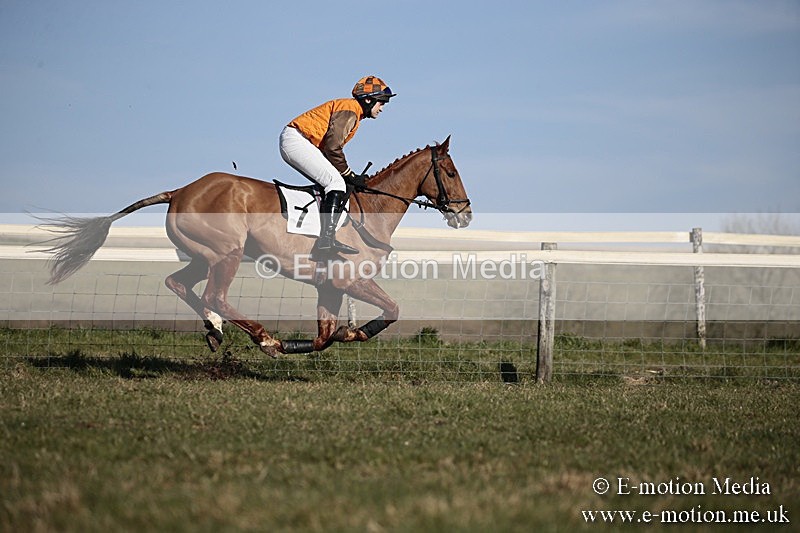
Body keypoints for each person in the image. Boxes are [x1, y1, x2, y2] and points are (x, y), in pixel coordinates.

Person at [279, 75, 396, 255]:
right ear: (368, 99)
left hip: (301, 141)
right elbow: (333, 147)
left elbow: (330, 149)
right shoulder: (350, 110)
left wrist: (347, 174)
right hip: (297, 140)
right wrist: (349, 174)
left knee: (334, 182)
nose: (382, 108)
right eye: (381, 103)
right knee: (336, 183)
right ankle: (326, 239)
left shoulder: (353, 110)